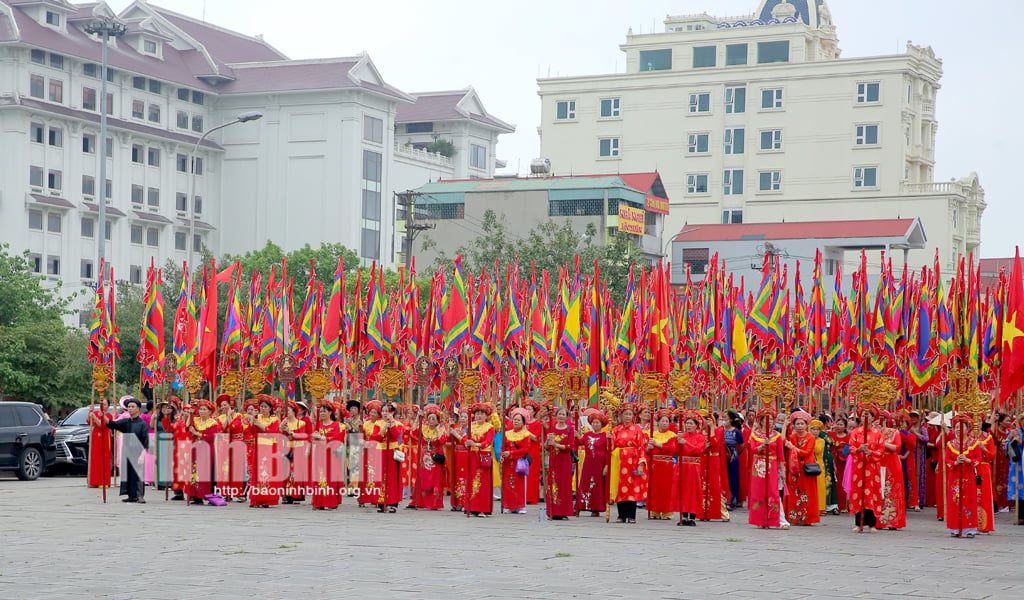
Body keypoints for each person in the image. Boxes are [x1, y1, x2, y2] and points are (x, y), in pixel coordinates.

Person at [104, 397, 150, 503]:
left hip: (138, 452)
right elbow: (113, 424)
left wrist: (142, 455)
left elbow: (146, 441)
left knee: (138, 474)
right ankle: (131, 495)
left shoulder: (142, 424)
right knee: (128, 473)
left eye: (133, 407)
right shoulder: (126, 422)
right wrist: (104, 416)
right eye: (129, 407)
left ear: (138, 409)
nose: (130, 409)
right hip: (127, 451)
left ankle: (139, 495)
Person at [747, 408, 785, 529]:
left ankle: (775, 519)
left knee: (773, 491)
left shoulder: (777, 436)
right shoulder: (755, 435)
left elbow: (780, 454)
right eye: (766, 419)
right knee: (759, 491)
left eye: (771, 420)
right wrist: (762, 445)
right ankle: (760, 519)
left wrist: (782, 470)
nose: (770, 422)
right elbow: (752, 449)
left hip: (772, 465)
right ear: (761, 421)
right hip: (758, 465)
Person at [849, 404, 884, 533]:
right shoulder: (856, 432)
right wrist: (859, 449)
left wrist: (870, 452)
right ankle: (858, 524)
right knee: (859, 492)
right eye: (863, 414)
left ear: (873, 417)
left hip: (872, 467)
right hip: (859, 467)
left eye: (868, 414)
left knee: (872, 493)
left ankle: (872, 524)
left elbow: (881, 450)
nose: (865, 416)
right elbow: (851, 448)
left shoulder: (878, 433)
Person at [945, 414, 981, 538]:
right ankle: (955, 528)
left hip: (968, 476)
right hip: (955, 476)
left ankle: (969, 528)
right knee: (955, 500)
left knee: (968, 500)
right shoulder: (950, 444)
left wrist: (967, 460)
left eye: (961, 427)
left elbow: (978, 459)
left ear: (967, 428)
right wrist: (955, 462)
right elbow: (947, 460)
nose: (958, 429)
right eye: (956, 427)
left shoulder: (974, 443)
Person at [611, 402, 647, 524]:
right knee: (620, 487)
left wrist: (641, 464)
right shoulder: (616, 429)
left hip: (633, 461)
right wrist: (608, 438)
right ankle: (621, 515)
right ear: (621, 415)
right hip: (619, 462)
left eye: (629, 414)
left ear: (633, 416)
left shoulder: (637, 429)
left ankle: (632, 515)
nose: (627, 416)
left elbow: (641, 447)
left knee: (632, 488)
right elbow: (611, 447)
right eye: (625, 414)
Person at [409, 404, 448, 511]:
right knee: (422, 479)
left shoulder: (440, 429)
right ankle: (418, 501)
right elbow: (413, 431)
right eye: (429, 418)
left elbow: (442, 441)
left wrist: (439, 428)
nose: (430, 420)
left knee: (435, 480)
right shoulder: (424, 427)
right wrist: (418, 417)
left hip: (435, 457)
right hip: (424, 457)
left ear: (437, 420)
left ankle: (434, 503)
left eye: (433, 418)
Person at [784, 411, 820, 525]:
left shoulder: (811, 437)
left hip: (806, 469)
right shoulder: (792, 437)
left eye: (802, 424)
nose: (799, 426)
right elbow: (782, 441)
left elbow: (806, 452)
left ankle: (807, 518)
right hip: (794, 468)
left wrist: (793, 447)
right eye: (797, 424)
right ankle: (793, 517)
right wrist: (785, 426)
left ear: (806, 425)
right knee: (794, 491)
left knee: (806, 492)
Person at [183, 399, 222, 505]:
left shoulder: (213, 423)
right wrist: (190, 415)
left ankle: (204, 494)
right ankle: (195, 495)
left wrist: (196, 433)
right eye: (200, 409)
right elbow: (187, 428)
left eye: (204, 409)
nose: (201, 411)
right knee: (194, 471)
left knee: (204, 472)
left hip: (206, 449)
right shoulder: (196, 420)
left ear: (210, 411)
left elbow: (210, 437)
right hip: (195, 448)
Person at [246, 395, 281, 508]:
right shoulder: (257, 417)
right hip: (258, 447)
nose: (263, 409)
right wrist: (252, 421)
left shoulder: (274, 420)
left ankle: (267, 499)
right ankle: (256, 499)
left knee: (267, 473)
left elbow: (274, 432)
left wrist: (262, 427)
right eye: (261, 406)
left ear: (270, 408)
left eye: (265, 407)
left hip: (270, 448)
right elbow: (250, 431)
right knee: (257, 473)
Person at [310, 402, 346, 510]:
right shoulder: (318, 425)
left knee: (331, 477)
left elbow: (336, 438)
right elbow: (313, 438)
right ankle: (319, 502)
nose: (322, 413)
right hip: (320, 453)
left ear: (330, 412)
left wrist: (322, 438)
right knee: (319, 476)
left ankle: (331, 502)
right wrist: (314, 439)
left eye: (324, 411)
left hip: (331, 454)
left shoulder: (336, 425)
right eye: (320, 411)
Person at [371, 402, 406, 513]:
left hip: (393, 452)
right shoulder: (377, 423)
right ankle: (380, 502)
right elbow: (375, 437)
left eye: (387, 411)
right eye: (383, 411)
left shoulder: (398, 424)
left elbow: (396, 435)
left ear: (392, 412)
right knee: (380, 477)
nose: (385, 413)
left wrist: (391, 424)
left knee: (393, 477)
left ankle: (393, 502)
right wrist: (384, 429)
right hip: (381, 451)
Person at [463, 402, 495, 516]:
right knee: (472, 481)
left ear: (486, 416)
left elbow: (488, 442)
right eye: (477, 413)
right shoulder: (470, 426)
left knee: (483, 483)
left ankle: (483, 508)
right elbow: (465, 439)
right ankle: (471, 506)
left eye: (482, 413)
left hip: (483, 456)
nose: (479, 416)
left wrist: (475, 444)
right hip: (472, 457)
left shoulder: (490, 427)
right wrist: (467, 442)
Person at [645, 409, 678, 520]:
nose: (664, 423)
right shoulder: (652, 434)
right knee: (654, 488)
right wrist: (648, 449)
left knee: (666, 488)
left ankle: (667, 512)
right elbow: (649, 452)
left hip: (666, 465)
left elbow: (671, 448)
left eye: (667, 421)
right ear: (658, 422)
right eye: (662, 421)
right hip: (654, 465)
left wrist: (658, 445)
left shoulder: (672, 435)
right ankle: (654, 511)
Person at [675, 410, 707, 527]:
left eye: (691, 424)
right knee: (683, 491)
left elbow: (699, 450)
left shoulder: (700, 437)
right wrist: (677, 441)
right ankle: (684, 516)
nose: (688, 426)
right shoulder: (682, 435)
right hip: (682, 466)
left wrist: (685, 443)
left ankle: (692, 516)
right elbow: (677, 451)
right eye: (687, 423)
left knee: (693, 491)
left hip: (693, 467)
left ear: (696, 425)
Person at [576, 408, 609, 516]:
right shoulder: (587, 435)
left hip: (600, 464)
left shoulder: (605, 436)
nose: (595, 424)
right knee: (585, 483)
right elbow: (579, 443)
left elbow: (609, 452)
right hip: (588, 464)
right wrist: (576, 436)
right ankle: (582, 505)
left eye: (597, 422)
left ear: (601, 424)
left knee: (597, 485)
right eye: (594, 422)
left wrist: (606, 466)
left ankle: (596, 508)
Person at [545, 406, 575, 520]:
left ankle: (563, 511)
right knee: (552, 484)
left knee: (564, 485)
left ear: (567, 417)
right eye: (559, 414)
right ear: (555, 416)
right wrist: (548, 440)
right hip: (553, 460)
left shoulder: (569, 430)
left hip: (564, 461)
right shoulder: (551, 429)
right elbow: (546, 447)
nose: (561, 416)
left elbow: (569, 447)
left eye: (563, 414)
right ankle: (552, 511)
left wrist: (556, 445)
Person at [877, 413, 906, 530]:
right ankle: (879, 520)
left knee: (892, 490)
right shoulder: (873, 433)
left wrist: (883, 443)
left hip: (892, 462)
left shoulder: (894, 432)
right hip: (879, 461)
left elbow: (897, 447)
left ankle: (893, 521)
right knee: (880, 490)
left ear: (884, 420)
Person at [501, 408, 532, 514]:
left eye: (518, 420)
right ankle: (509, 506)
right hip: (507, 463)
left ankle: (520, 506)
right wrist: (502, 455)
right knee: (508, 484)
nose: (516, 421)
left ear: (523, 422)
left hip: (519, 462)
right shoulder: (507, 433)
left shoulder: (526, 434)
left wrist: (511, 453)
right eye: (514, 419)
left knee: (519, 485)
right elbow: (503, 447)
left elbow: (525, 450)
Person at [215, 394, 245, 501]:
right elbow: (221, 429)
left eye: (225, 405)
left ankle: (237, 493)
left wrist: (229, 416)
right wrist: (227, 416)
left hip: (236, 444)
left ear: (230, 405)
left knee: (236, 469)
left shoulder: (238, 416)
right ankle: (224, 492)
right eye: (221, 405)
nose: (223, 407)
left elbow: (233, 427)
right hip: (224, 444)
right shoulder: (219, 418)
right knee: (224, 469)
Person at [153, 398, 183, 500]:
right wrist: (153, 417)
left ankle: (170, 483)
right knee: (161, 462)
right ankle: (160, 483)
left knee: (171, 462)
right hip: (160, 440)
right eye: (164, 407)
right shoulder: (157, 418)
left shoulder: (176, 419)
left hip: (171, 440)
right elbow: (153, 427)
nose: (166, 409)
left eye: (168, 407)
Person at [280, 401, 309, 504]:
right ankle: (286, 495)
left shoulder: (301, 423)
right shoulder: (284, 422)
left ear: (294, 411)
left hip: (298, 449)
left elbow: (303, 436)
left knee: (296, 473)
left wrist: (290, 432)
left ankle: (296, 496)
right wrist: (281, 427)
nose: (286, 412)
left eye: (288, 410)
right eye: (285, 410)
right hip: (286, 448)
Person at [87, 399, 114, 489]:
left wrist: (94, 417)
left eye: (105, 404)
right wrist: (89, 412)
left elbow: (102, 425)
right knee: (94, 458)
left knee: (103, 458)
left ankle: (103, 481)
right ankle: (93, 481)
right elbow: (88, 421)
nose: (103, 406)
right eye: (101, 404)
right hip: (95, 436)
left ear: (108, 406)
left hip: (104, 437)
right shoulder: (96, 412)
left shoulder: (109, 415)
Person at [976, 418, 996, 533]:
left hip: (983, 468)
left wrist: (984, 449)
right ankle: (970, 523)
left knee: (984, 496)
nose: (976, 424)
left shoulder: (987, 437)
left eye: (979, 421)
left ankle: (984, 525)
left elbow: (992, 456)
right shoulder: (967, 438)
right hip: (971, 467)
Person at [722, 411, 744, 511]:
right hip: (722, 457)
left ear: (730, 419)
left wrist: (735, 454)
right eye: (722, 417)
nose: (723, 419)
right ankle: (722, 501)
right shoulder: (720, 430)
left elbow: (742, 446)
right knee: (723, 478)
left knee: (733, 479)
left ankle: (732, 501)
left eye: (725, 417)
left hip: (733, 458)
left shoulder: (736, 432)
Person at [1005, 414, 1024, 525]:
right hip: (1019, 465)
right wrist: (1012, 440)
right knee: (1019, 489)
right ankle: (1020, 515)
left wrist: (1022, 443)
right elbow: (1006, 446)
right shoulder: (1015, 432)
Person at [831, 416, 850, 514]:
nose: (838, 426)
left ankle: (844, 505)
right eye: (837, 424)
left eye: (841, 424)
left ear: (845, 427)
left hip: (844, 463)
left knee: (843, 483)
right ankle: (834, 505)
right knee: (834, 483)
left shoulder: (848, 437)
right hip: (833, 462)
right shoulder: (830, 435)